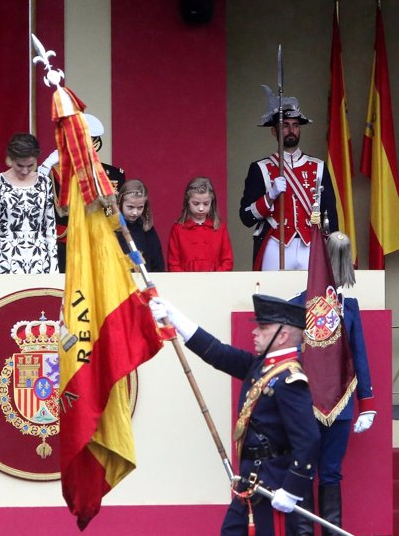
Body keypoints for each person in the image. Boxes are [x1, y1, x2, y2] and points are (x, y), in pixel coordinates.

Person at [150, 293, 319, 535]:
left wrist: (292, 489)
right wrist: (175, 317)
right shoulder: (260, 367)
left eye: (263, 328)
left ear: (282, 336)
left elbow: (309, 439)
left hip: (272, 487)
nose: (255, 332)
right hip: (250, 483)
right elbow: (217, 353)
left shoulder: (290, 380)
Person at [293, 231, 375, 536]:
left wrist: (367, 403)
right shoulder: (297, 306)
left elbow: (360, 355)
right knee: (303, 472)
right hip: (306, 405)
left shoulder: (349, 308)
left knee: (330, 473)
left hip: (340, 405)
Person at [239, 86, 338, 270]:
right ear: (274, 132)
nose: (291, 130)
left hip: (311, 243)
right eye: (284, 125)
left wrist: (334, 246)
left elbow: (330, 213)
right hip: (275, 244)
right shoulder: (260, 168)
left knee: (313, 297)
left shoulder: (318, 166)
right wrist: (270, 196)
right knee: (274, 296)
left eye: (295, 125)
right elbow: (246, 217)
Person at [38, 113, 125, 272]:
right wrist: (44, 166)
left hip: (97, 242)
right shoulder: (53, 172)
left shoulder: (113, 175)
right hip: (63, 245)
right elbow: (33, 198)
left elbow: (112, 214)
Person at [0, 133, 58, 274]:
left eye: (30, 165)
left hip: (40, 261)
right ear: (10, 159)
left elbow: (50, 229)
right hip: (6, 261)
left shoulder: (44, 182)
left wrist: (53, 268)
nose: (25, 171)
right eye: (20, 165)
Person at [167, 176, 233, 272]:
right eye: (196, 203)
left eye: (206, 204)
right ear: (187, 202)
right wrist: (185, 280)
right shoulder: (178, 229)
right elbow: (173, 263)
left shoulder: (219, 227)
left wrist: (217, 277)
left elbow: (227, 260)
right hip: (187, 283)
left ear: (212, 202)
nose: (201, 208)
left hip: (215, 282)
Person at [116, 179, 165, 272]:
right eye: (130, 207)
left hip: (144, 281)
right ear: (120, 203)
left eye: (140, 207)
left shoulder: (147, 229)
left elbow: (157, 263)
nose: (135, 212)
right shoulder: (112, 228)